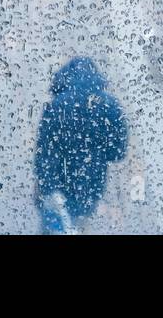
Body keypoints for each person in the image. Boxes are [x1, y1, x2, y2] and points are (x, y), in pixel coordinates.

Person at [34, 57, 128, 233]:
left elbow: (43, 152)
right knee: (80, 225)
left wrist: (46, 186)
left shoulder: (56, 106)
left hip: (55, 186)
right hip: (90, 184)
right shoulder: (110, 105)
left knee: (54, 227)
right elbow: (118, 152)